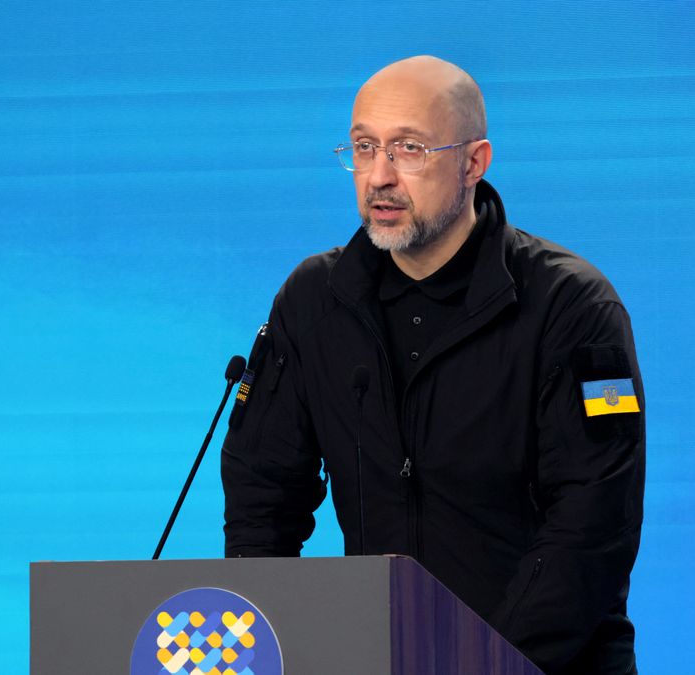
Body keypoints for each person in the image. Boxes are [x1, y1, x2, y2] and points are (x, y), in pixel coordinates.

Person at [221, 55, 645, 675]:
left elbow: (591, 531)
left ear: (473, 162)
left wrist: (485, 664)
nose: (379, 177)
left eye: (409, 149)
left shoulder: (572, 307)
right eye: (364, 148)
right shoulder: (315, 301)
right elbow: (262, 499)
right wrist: (268, 645)